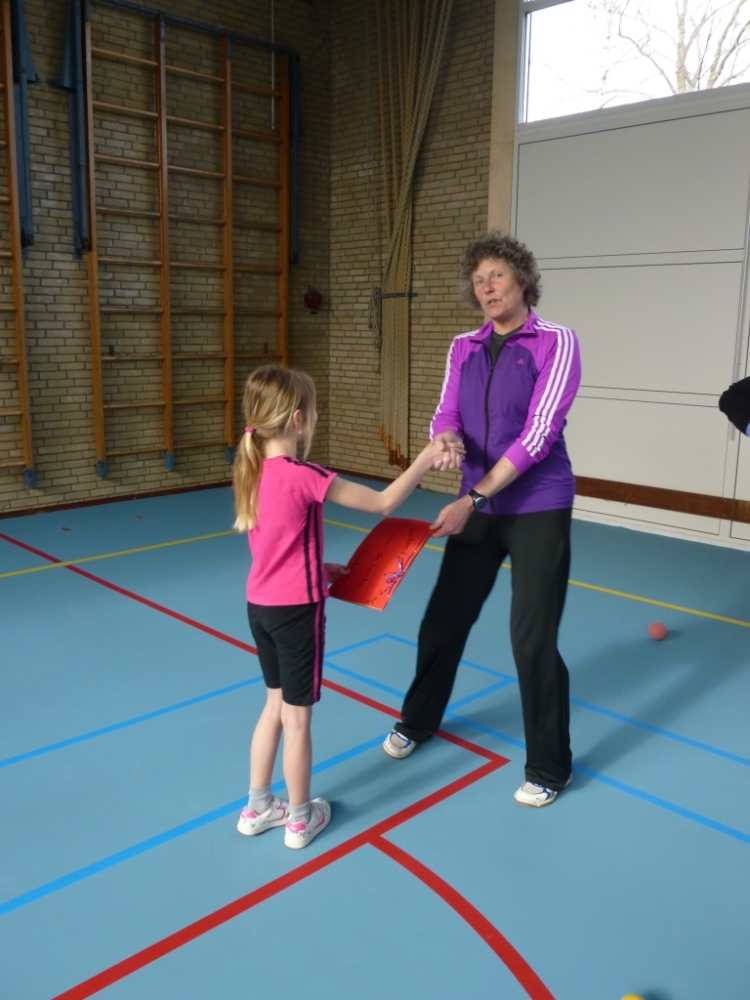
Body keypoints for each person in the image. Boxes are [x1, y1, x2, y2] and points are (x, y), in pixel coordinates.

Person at [382, 231, 582, 808]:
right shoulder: (462, 347)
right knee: (443, 621)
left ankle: (550, 766)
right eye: (478, 280)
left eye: (496, 275)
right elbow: (445, 411)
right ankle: (418, 721)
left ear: (522, 279)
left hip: (537, 507)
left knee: (532, 639)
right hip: (478, 504)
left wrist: (472, 498)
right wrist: (444, 439)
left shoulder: (556, 341)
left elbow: (539, 434)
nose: (487, 288)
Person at [233, 366, 447, 848]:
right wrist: (426, 457)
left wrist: (317, 567)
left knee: (273, 706)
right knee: (298, 719)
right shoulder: (305, 475)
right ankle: (299, 819)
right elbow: (384, 502)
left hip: (261, 607)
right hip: (296, 612)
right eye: (313, 411)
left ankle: (257, 806)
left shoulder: (251, 469)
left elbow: (276, 542)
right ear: (297, 419)